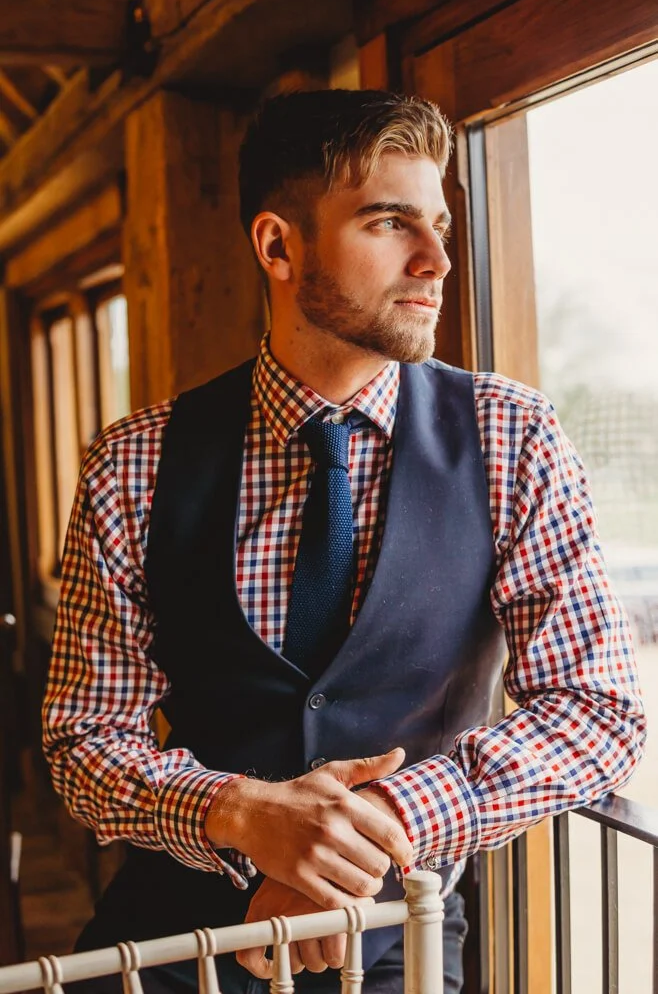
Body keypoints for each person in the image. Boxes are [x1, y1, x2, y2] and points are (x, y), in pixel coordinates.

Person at [43, 89, 646, 994]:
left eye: (437, 223)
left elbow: (597, 712)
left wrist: (356, 833)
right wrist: (243, 815)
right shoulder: (133, 463)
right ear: (279, 246)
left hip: (400, 933)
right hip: (166, 939)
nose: (437, 259)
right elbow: (83, 739)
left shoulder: (514, 438)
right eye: (388, 221)